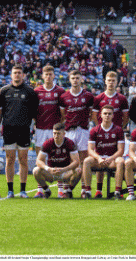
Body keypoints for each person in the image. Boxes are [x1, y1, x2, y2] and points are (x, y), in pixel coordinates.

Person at [0, 65, 39, 199]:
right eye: (14, 72)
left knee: (23, 159)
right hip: (9, 129)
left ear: (23, 75)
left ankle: (22, 190)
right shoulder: (4, 91)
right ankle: (10, 190)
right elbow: (0, 112)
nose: (17, 75)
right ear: (11, 75)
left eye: (19, 73)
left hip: (24, 129)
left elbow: (34, 112)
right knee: (9, 159)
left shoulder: (30, 92)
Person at [59, 70, 94, 198]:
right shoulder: (64, 97)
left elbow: (91, 113)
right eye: (73, 78)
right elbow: (63, 115)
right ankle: (67, 189)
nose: (75, 80)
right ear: (69, 79)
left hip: (83, 130)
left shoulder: (88, 96)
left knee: (84, 160)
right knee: (69, 161)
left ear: (81, 79)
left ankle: (84, 189)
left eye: (77, 78)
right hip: (69, 131)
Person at [81, 105, 125, 199]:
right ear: (100, 115)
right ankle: (87, 191)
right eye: (105, 113)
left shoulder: (118, 130)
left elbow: (121, 150)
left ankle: (117, 191)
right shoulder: (94, 130)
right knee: (86, 161)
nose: (107, 115)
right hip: (99, 159)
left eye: (109, 114)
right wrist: (99, 158)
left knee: (120, 161)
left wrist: (111, 158)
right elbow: (90, 150)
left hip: (112, 160)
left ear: (113, 115)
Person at [32, 123, 82, 199]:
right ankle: (47, 190)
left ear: (64, 134)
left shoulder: (69, 143)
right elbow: (38, 161)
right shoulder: (48, 143)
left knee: (78, 170)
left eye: (58, 133)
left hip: (65, 172)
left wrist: (64, 169)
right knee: (36, 170)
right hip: (51, 172)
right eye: (54, 133)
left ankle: (68, 191)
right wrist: (48, 169)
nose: (56, 136)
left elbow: (76, 161)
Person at [33, 65, 65, 156]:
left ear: (54, 76)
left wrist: (60, 124)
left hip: (55, 128)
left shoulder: (60, 91)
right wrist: (37, 121)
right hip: (40, 128)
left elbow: (64, 112)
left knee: (56, 153)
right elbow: (33, 111)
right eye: (46, 74)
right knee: (40, 153)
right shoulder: (37, 91)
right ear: (42, 76)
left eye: (50, 74)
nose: (48, 76)